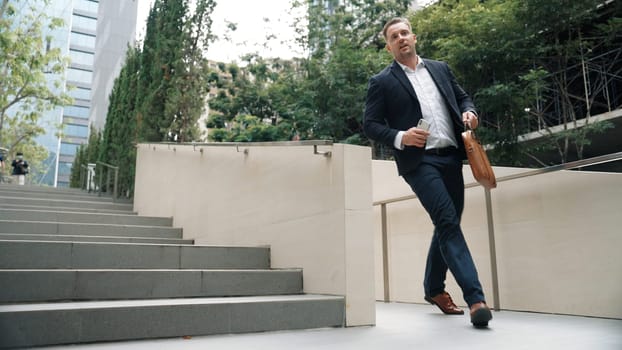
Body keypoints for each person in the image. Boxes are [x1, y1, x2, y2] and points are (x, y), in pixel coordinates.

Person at [363, 17, 492, 327]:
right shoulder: (381, 82)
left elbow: (462, 98)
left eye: (405, 32)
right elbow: (370, 125)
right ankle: (476, 300)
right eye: (394, 36)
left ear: (414, 37)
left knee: (447, 223)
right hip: (419, 163)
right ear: (389, 46)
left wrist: (470, 112)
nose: (401, 38)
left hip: (452, 156)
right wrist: (401, 137)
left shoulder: (440, 68)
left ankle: (433, 288)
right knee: (447, 221)